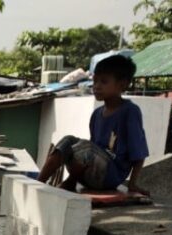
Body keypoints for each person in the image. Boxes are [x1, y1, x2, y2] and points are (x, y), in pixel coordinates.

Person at [37, 54, 150, 195]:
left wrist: (132, 184)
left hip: (111, 175)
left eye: (103, 82)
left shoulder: (130, 112)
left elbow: (139, 152)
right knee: (68, 140)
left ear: (123, 84)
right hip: (92, 172)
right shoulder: (97, 114)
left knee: (87, 149)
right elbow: (92, 149)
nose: (97, 86)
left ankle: (71, 180)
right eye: (95, 81)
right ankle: (38, 183)